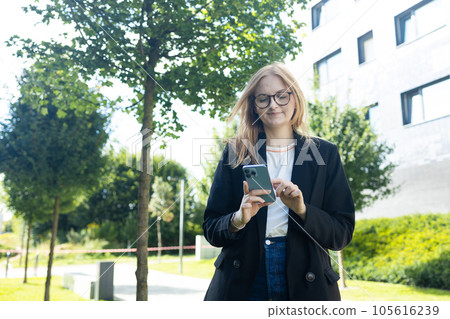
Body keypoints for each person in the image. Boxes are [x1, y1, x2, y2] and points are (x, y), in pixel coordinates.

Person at [202, 62, 355, 301]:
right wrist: (238, 219)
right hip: (244, 279)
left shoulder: (324, 153)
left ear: (295, 99)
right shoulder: (236, 152)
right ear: (254, 105)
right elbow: (211, 228)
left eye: (282, 96)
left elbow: (341, 234)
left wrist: (303, 211)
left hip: (306, 279)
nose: (273, 104)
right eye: (263, 98)